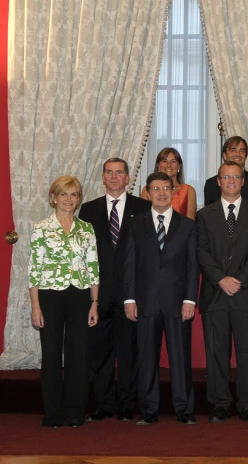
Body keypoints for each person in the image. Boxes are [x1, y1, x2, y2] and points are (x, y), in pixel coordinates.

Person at [123, 171, 199, 426]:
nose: (162, 193)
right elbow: (130, 264)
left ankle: (184, 410)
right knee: (146, 359)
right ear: (147, 193)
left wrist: (190, 300)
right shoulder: (135, 224)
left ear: (173, 192)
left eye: (166, 188)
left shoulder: (187, 225)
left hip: (178, 303)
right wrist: (129, 299)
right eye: (156, 189)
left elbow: (192, 266)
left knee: (180, 359)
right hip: (145, 301)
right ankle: (148, 411)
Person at [79, 158, 151, 422]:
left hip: (131, 293)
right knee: (100, 352)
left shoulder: (143, 207)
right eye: (109, 172)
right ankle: (103, 403)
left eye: (119, 172)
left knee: (129, 351)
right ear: (102, 177)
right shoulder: (88, 210)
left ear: (128, 178)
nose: (113, 177)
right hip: (99, 294)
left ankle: (126, 404)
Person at [196, 161, 248, 423]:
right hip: (215, 294)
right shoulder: (204, 215)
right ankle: (220, 403)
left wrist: (239, 279)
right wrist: (220, 279)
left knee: (247, 351)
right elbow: (201, 252)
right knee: (216, 352)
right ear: (218, 181)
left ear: (243, 180)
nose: (231, 181)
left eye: (236, 177)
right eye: (226, 177)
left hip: (245, 292)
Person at [29, 176, 100, 428]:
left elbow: (93, 267)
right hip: (50, 295)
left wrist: (94, 302)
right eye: (64, 194)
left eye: (74, 195)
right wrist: (35, 306)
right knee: (50, 355)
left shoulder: (86, 228)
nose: (69, 200)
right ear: (53, 197)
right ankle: (53, 413)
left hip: (80, 295)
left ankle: (75, 413)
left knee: (78, 355)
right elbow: (34, 269)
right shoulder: (41, 227)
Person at [204, 136, 248, 208]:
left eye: (242, 151)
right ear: (224, 155)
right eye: (233, 150)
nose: (238, 154)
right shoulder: (211, 184)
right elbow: (208, 215)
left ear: (245, 156)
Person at [139, 147, 197, 220]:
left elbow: (190, 223)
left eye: (173, 161)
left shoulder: (189, 190)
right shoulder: (147, 189)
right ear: (158, 166)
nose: (168, 165)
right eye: (164, 161)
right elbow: (143, 220)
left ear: (179, 166)